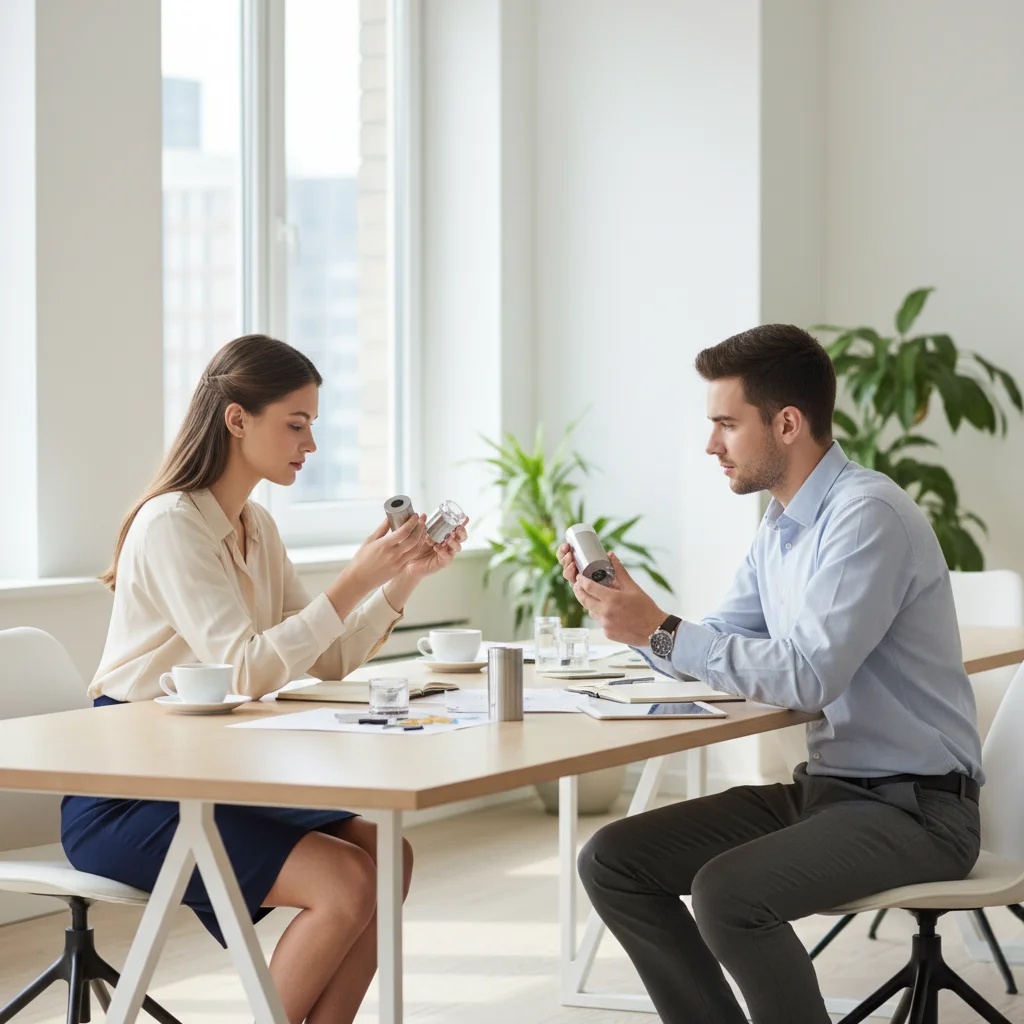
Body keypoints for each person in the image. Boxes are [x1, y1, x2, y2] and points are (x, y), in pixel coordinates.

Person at [557, 324, 983, 1024]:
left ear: (787, 423)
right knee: (614, 861)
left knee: (729, 894)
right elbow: (723, 640)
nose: (710, 445)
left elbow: (806, 677)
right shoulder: (781, 525)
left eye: (726, 424)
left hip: (919, 810)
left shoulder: (865, 515)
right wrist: (632, 620)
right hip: (829, 793)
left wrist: (660, 630)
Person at [62, 334, 468, 1024]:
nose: (310, 444)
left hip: (214, 768)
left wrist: (399, 580)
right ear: (237, 418)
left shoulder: (257, 526)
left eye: (313, 425)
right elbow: (245, 669)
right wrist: (352, 580)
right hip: (129, 788)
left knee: (386, 856)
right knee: (344, 881)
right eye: (296, 423)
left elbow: (324, 658)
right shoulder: (172, 526)